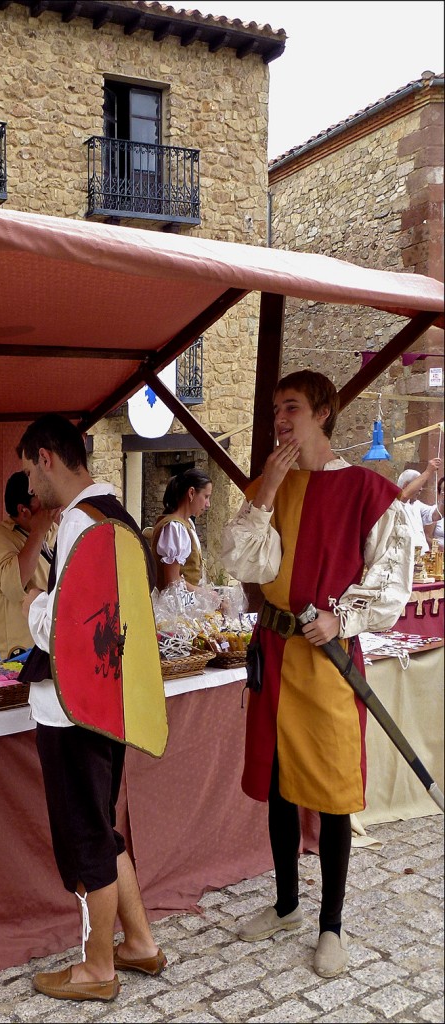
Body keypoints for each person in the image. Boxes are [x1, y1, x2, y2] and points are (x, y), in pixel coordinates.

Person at [219, 370, 413, 980]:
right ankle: (285, 906)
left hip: (327, 661)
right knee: (277, 784)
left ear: (323, 412)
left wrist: (342, 616)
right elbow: (241, 558)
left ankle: (331, 924)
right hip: (275, 653)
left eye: (293, 407)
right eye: (277, 408)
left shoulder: (368, 491)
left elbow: (391, 581)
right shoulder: (271, 487)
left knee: (330, 791)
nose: (281, 418)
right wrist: (267, 491)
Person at [16, 414, 165, 1004]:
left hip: (72, 709)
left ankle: (96, 967)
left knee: (85, 837)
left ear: (48, 457)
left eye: (30, 470)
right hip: (107, 704)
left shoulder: (80, 523)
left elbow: (70, 632)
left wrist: (33, 604)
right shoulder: (117, 513)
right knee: (101, 828)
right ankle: (140, 944)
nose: (31, 487)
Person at [0, 471, 58, 661]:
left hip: (51, 647)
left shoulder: (54, 531)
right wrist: (38, 532)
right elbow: (13, 586)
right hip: (18, 657)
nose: (49, 505)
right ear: (24, 510)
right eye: (42, 499)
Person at [150, 469, 212, 590]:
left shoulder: (186, 524)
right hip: (175, 606)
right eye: (206, 497)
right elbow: (173, 582)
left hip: (186, 603)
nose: (208, 504)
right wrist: (205, 594)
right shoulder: (174, 528)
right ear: (191, 493)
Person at [397, 457, 442, 554]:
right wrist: (428, 471)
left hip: (422, 559)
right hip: (407, 562)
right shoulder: (395, 502)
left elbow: (436, 515)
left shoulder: (417, 504)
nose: (421, 489)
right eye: (419, 485)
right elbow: (403, 495)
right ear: (406, 486)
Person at [423, 475, 444, 546]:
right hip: (439, 553)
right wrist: (440, 548)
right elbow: (427, 536)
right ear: (440, 493)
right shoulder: (434, 512)